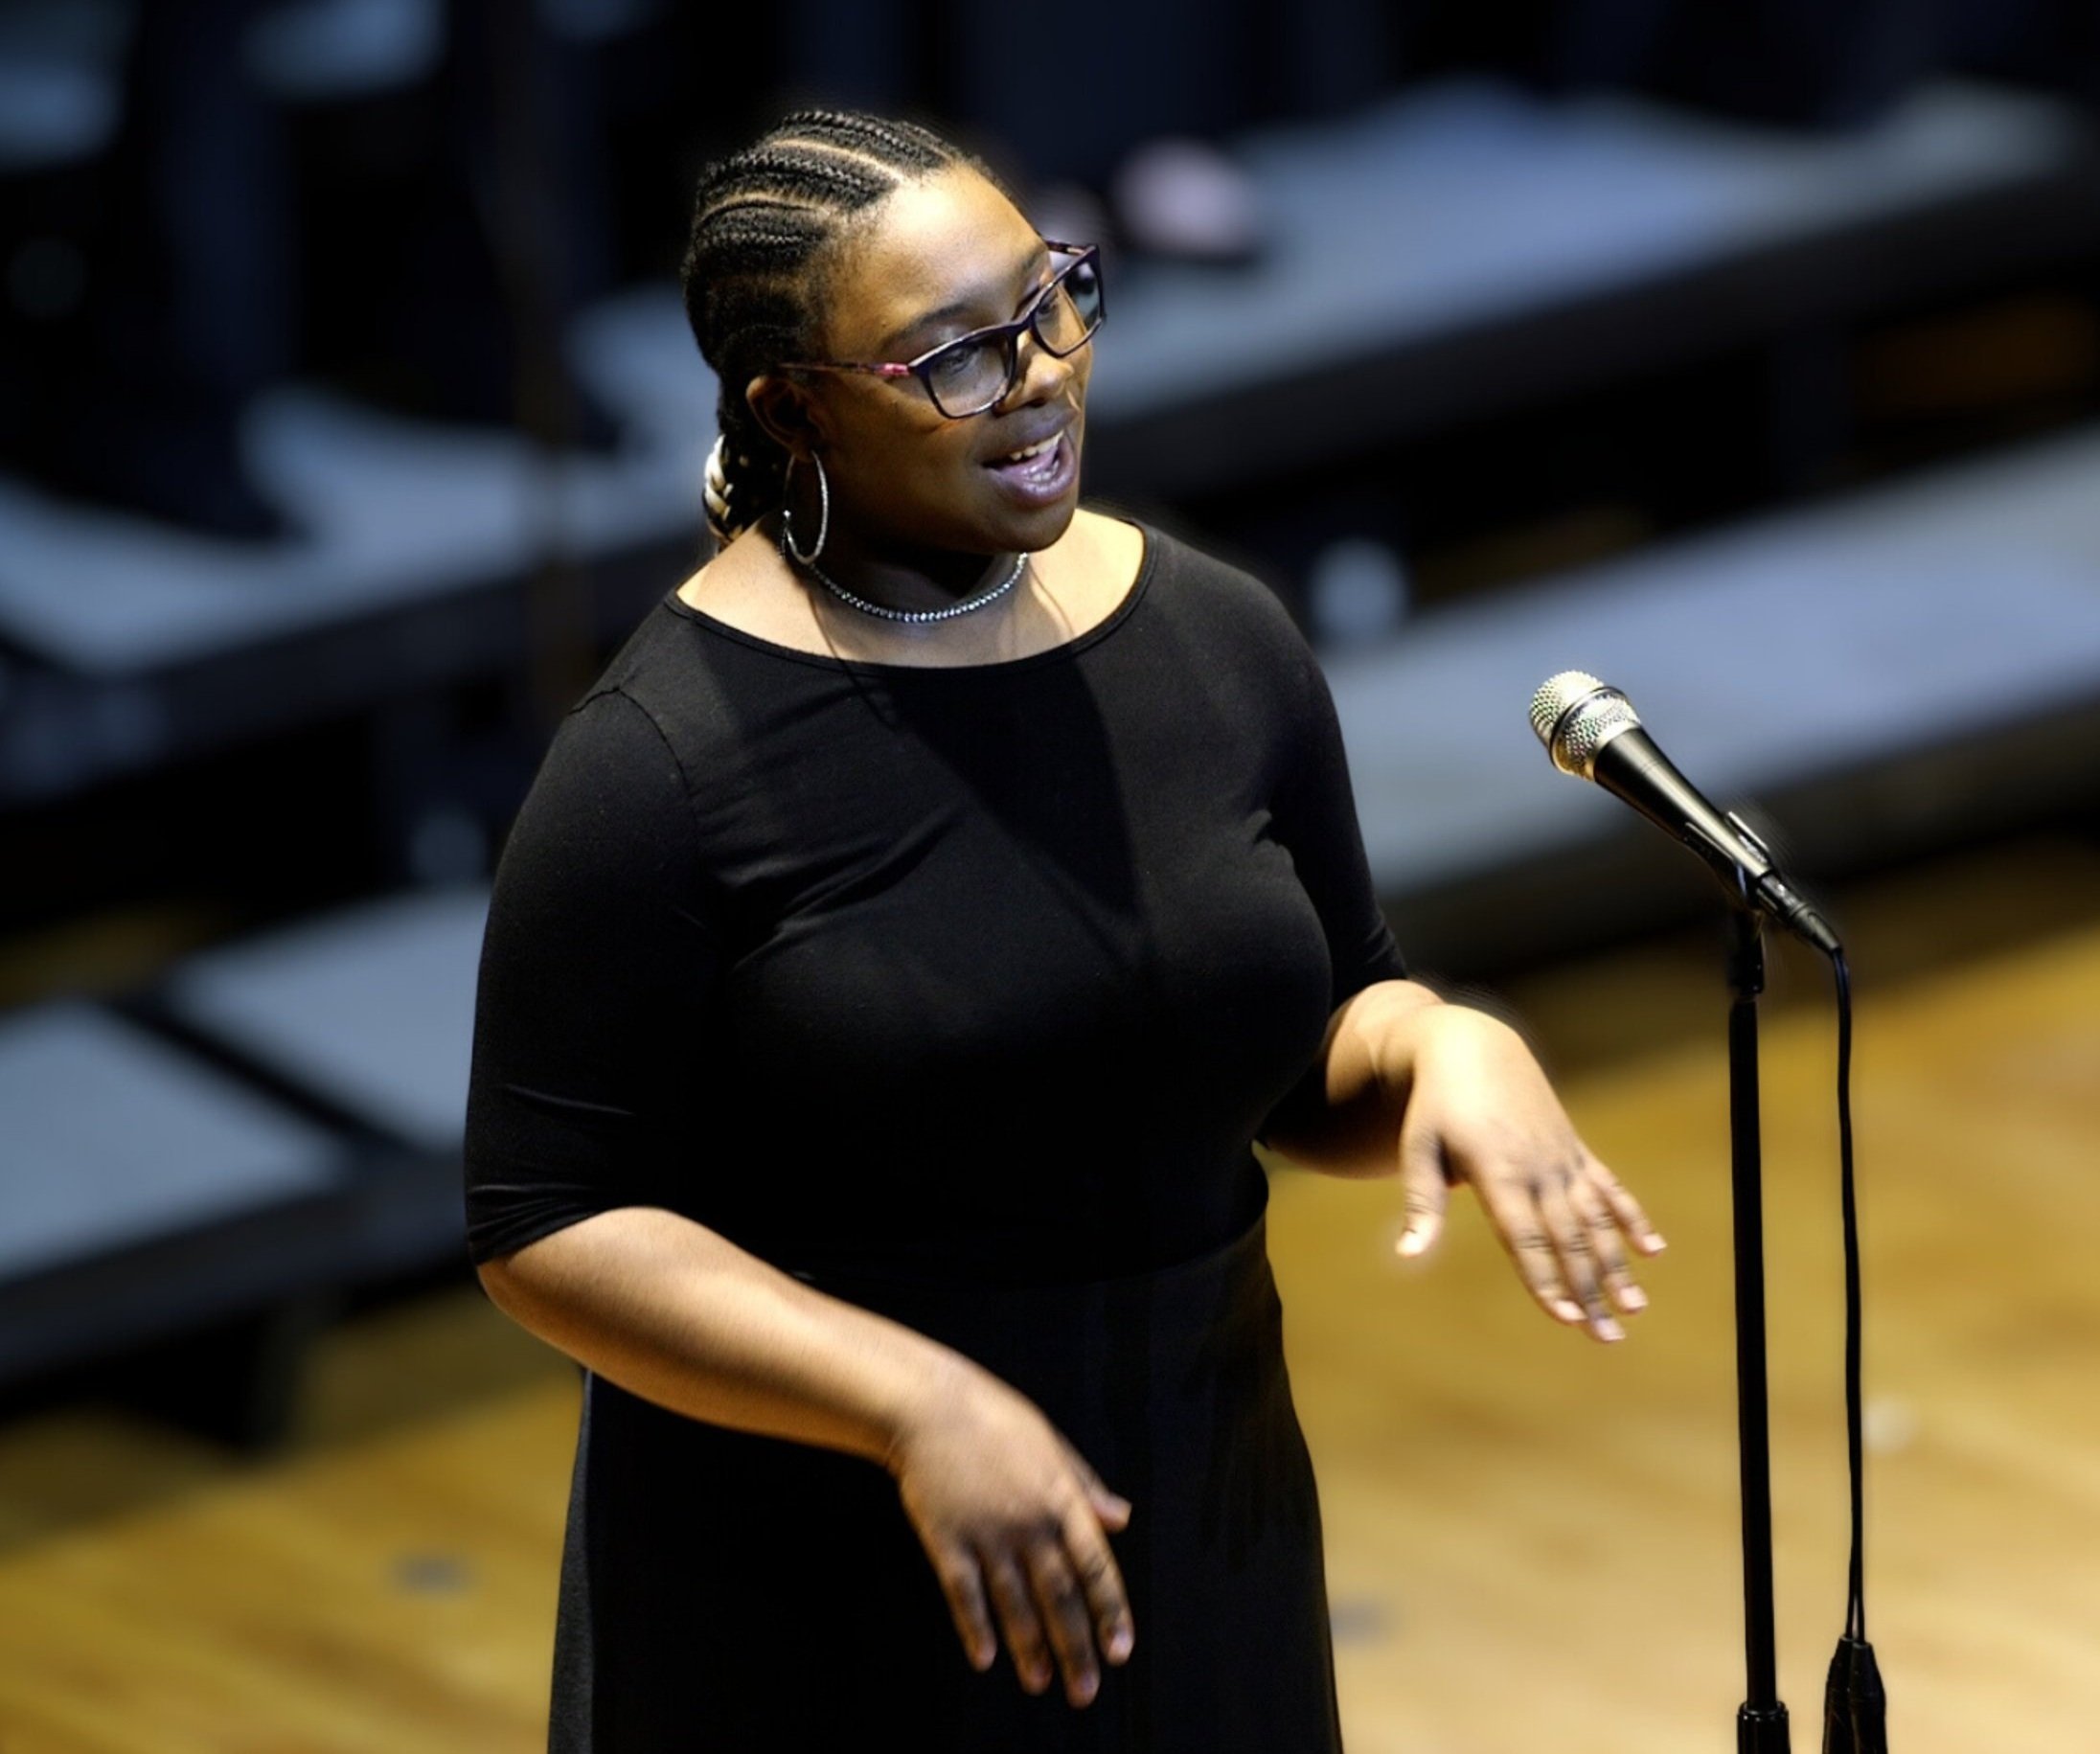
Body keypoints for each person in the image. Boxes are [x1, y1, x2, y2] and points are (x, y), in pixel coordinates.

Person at [462, 106, 1665, 1751]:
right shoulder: (656, 763)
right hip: (824, 1579)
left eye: (1051, 302)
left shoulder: (1214, 640)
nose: (1037, 376)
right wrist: (910, 1404)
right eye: (957, 355)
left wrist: (1439, 1044)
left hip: (1198, 1512)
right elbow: (546, 1218)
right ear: (793, 407)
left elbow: (1302, 1034)